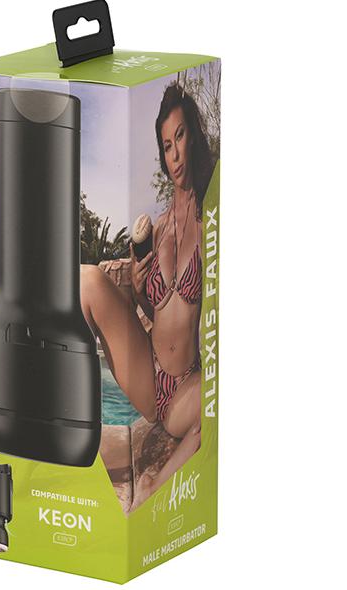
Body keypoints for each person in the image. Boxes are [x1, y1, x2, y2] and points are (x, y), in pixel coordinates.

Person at [80, 84, 213, 510]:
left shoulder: (211, 219)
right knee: (87, 280)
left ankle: (156, 484)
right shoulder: (157, 228)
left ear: (194, 136)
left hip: (185, 388)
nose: (175, 155)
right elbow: (152, 311)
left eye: (180, 137)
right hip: (148, 376)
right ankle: (62, 423)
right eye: (166, 145)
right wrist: (138, 290)